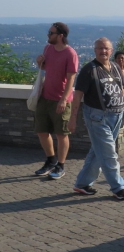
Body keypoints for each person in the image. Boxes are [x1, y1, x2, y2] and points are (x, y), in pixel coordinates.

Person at [68, 38, 124, 200]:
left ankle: (82, 184)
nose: (103, 51)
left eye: (106, 48)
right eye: (100, 48)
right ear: (95, 50)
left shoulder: (116, 67)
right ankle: (118, 187)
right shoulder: (89, 70)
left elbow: (121, 90)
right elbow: (78, 96)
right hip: (97, 117)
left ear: (111, 50)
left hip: (116, 116)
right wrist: (72, 118)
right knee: (109, 153)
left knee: (98, 152)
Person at [34, 22, 79, 180]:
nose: (48, 35)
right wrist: (40, 63)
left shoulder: (70, 54)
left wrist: (63, 100)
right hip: (45, 96)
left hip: (61, 99)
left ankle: (61, 165)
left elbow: (71, 79)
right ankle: (50, 160)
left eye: (51, 33)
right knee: (41, 131)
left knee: (61, 134)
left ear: (61, 36)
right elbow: (47, 68)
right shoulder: (48, 49)